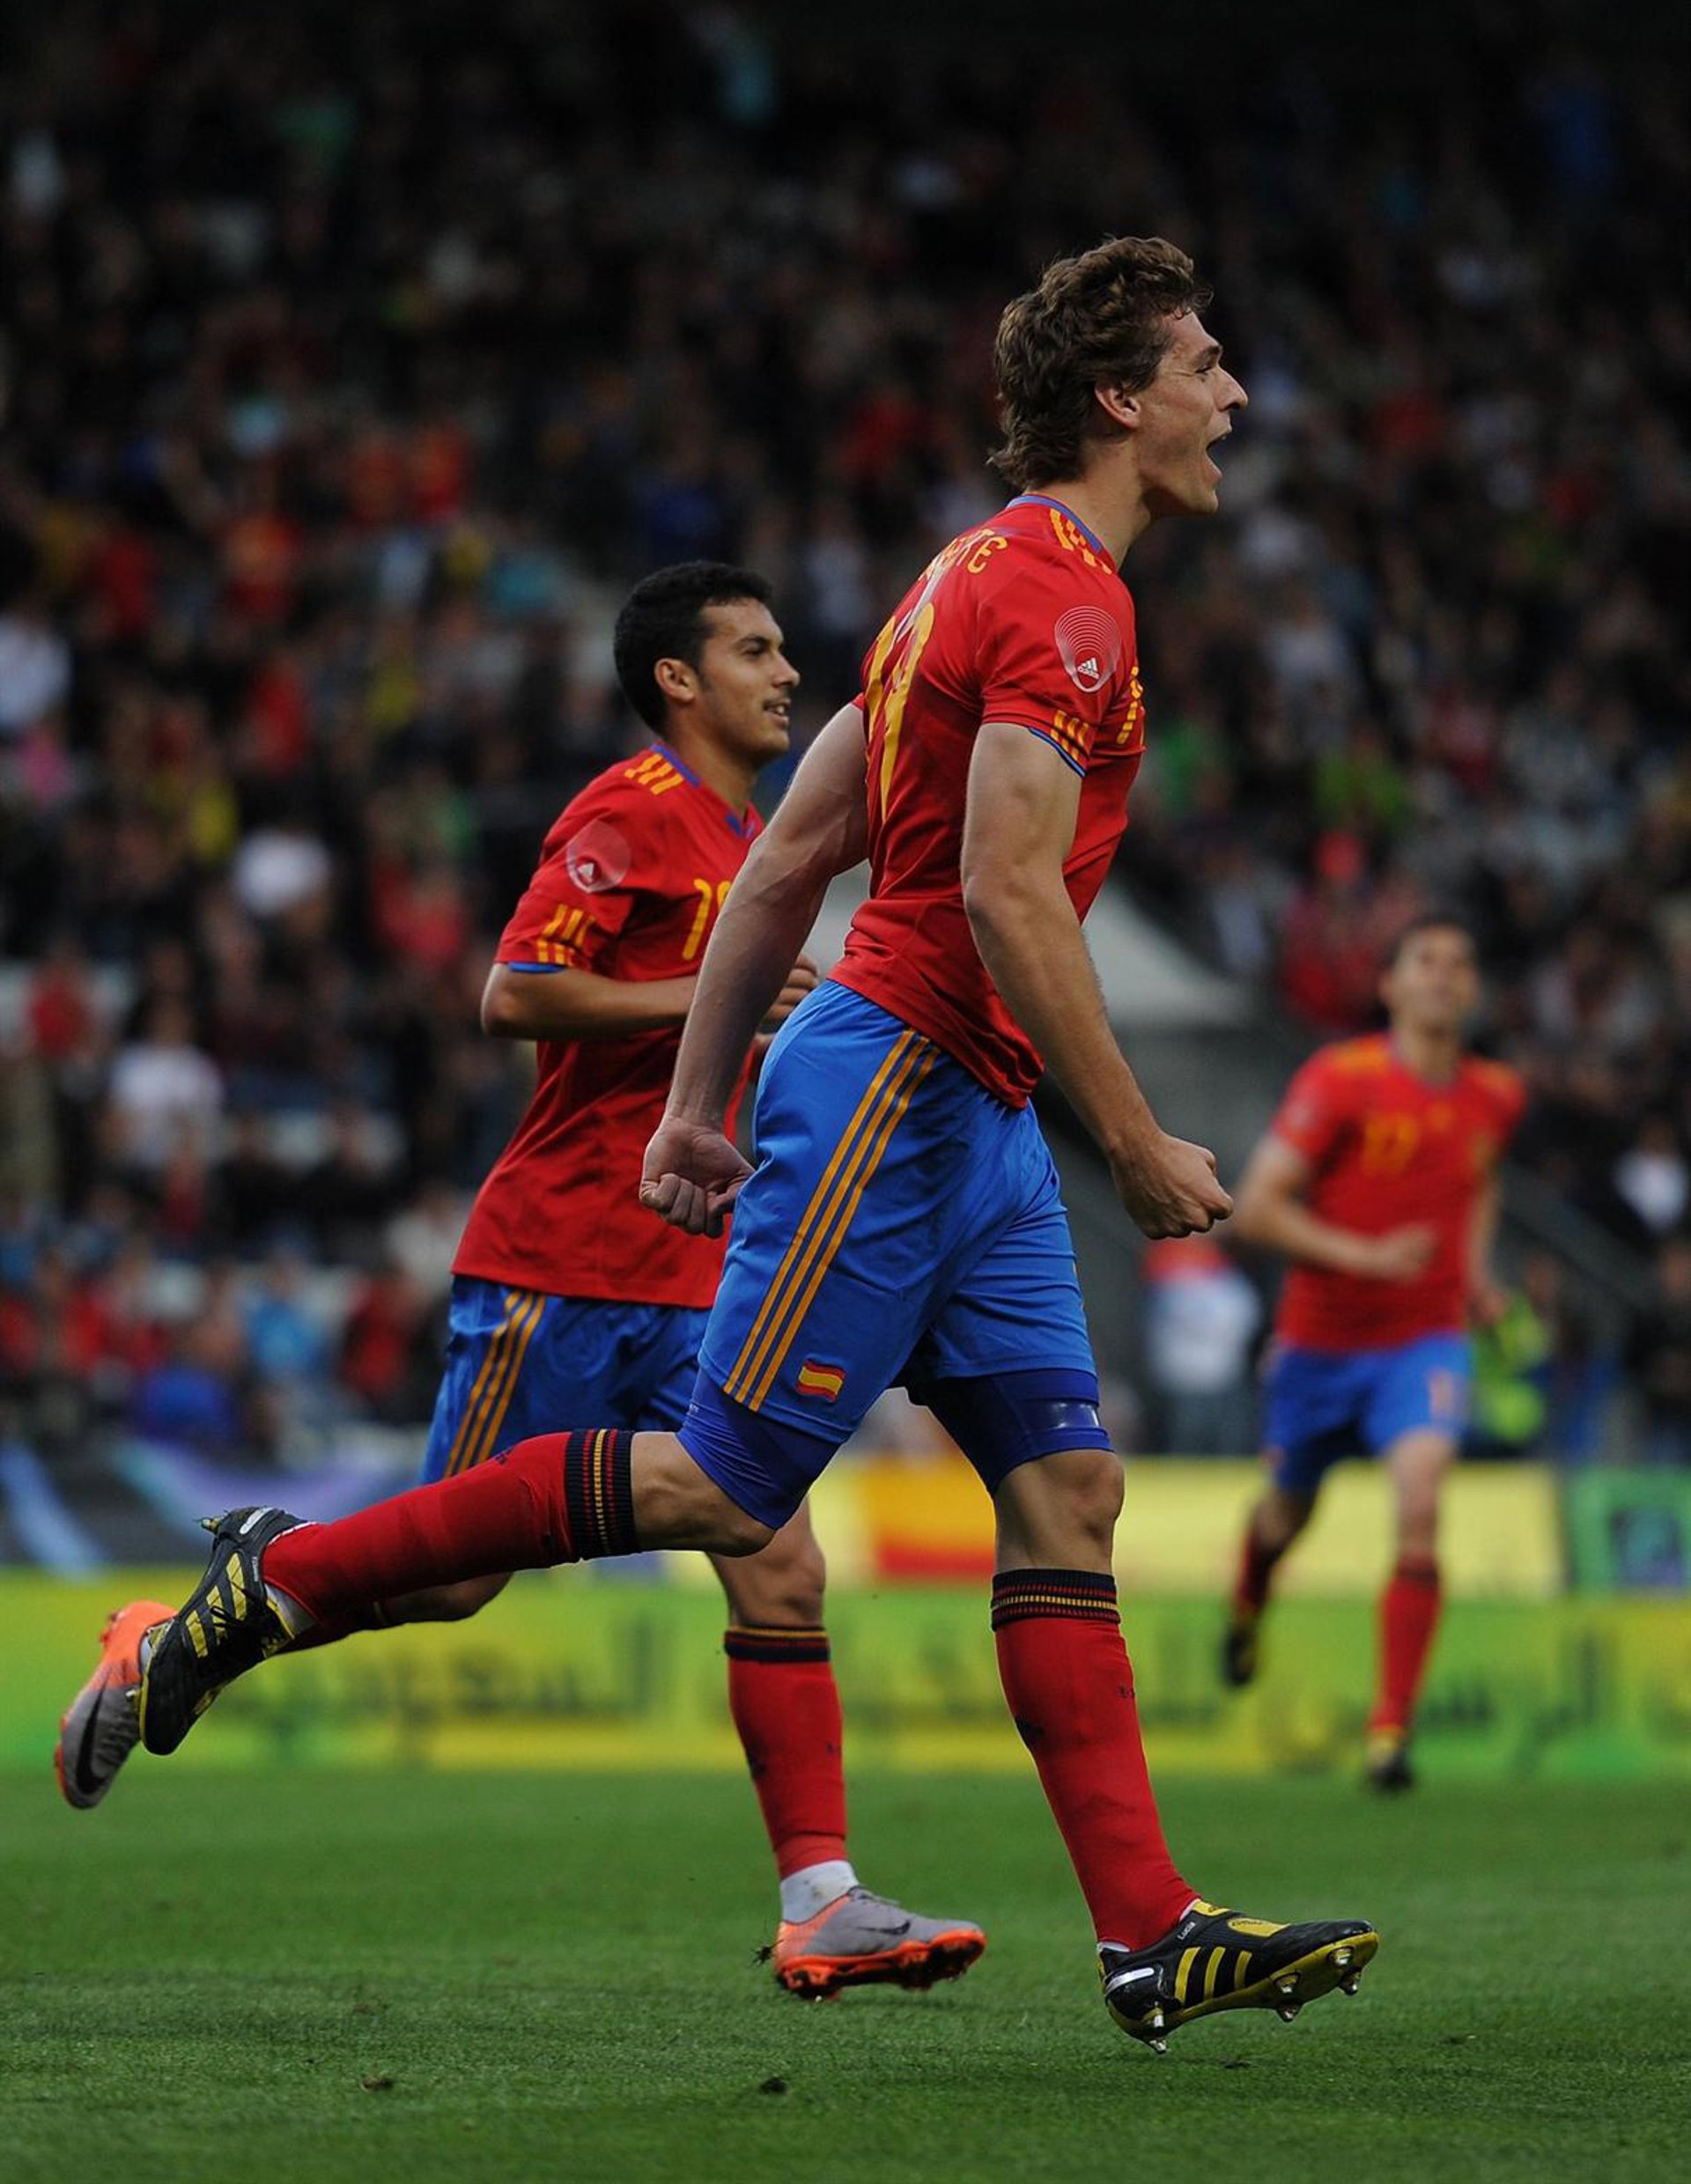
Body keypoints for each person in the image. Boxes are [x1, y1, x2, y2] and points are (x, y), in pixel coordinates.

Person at [103, 237, 1376, 2053]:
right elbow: (1007, 892)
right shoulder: (1063, 602)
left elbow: (784, 859)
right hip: (907, 1081)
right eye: (1203, 363)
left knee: (1069, 1492)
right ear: (1120, 400)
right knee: (723, 1487)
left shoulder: (952, 587)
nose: (1232, 393)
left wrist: (698, 1107)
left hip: (970, 1114)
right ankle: (276, 1584)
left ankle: (1150, 1932)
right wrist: (1136, 1138)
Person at [57, 561, 982, 1997]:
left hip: (696, 1272)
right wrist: (719, 990)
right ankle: (175, 1633)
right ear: (678, 678)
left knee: (779, 1558)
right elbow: (512, 992)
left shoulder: (756, 836)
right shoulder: (630, 809)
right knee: (450, 1583)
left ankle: (822, 1898)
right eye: (753, 649)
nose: (787, 672)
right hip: (560, 1260)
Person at [1222, 916, 1526, 1789]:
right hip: (1320, 1343)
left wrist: (1475, 1276)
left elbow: (1480, 1183)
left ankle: (1390, 1730)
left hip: (1423, 1341)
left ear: (1474, 989)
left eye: (1460, 963)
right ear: (1390, 984)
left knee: (1422, 1500)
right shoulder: (1341, 1078)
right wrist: (1367, 1256)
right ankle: (1249, 1599)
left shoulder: (1496, 1095)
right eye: (1426, 961)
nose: (1445, 975)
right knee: (1285, 1517)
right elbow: (1257, 1206)